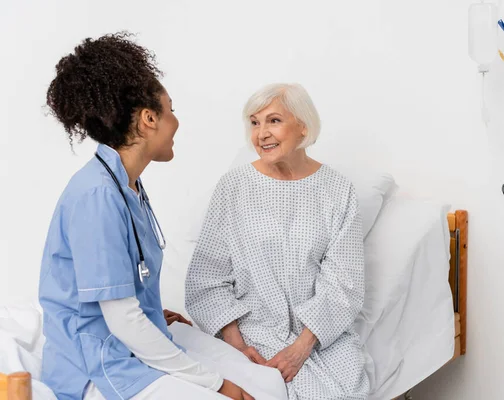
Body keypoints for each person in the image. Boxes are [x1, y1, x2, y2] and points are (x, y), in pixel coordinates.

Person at [38, 32, 261, 400]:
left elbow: (124, 289)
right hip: (97, 364)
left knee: (264, 383)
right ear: (147, 120)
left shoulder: (126, 185)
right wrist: (216, 384)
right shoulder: (97, 195)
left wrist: (149, 310)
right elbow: (120, 317)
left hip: (127, 338)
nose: (176, 122)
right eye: (171, 110)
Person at [185, 83, 370, 399]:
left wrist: (300, 348)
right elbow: (207, 280)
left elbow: (344, 284)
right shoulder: (234, 187)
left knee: (342, 390)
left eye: (273, 121)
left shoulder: (338, 191)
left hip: (319, 336)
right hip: (250, 335)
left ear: (303, 125)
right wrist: (238, 348)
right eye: (254, 123)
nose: (261, 134)